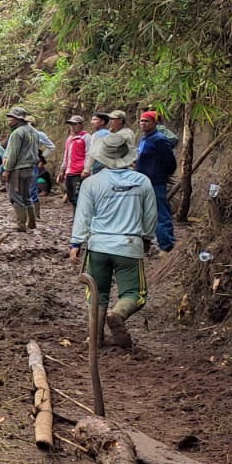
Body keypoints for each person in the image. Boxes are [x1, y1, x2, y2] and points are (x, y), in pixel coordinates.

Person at [70, 132, 157, 347]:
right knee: (135, 293)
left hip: (98, 246)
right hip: (129, 245)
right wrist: (146, 238)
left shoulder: (92, 183)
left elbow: (83, 216)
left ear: (102, 157)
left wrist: (76, 243)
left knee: (96, 293)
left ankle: (96, 337)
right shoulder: (143, 182)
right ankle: (117, 314)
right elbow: (150, 216)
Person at [135, 110, 177, 253]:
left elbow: (170, 161)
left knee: (161, 213)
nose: (143, 123)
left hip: (156, 182)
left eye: (146, 121)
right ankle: (145, 244)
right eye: (141, 121)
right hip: (142, 182)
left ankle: (167, 246)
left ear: (155, 123)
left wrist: (163, 173)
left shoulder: (159, 139)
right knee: (142, 212)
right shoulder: (144, 139)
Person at [1, 106, 41, 231]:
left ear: (18, 119)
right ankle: (32, 222)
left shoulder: (17, 133)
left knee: (16, 196)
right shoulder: (34, 131)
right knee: (26, 196)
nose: (9, 120)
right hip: (30, 168)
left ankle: (21, 224)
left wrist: (7, 169)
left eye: (11, 117)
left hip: (18, 169)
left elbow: (13, 153)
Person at [61, 116, 88, 206]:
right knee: (71, 195)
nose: (72, 126)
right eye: (71, 124)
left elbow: (89, 154)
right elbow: (66, 155)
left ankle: (80, 218)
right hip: (69, 171)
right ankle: (75, 218)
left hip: (79, 171)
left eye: (75, 124)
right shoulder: (70, 139)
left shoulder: (86, 137)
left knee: (78, 196)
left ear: (80, 125)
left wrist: (86, 169)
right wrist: (62, 169)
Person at [84, 112, 111, 176]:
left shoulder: (96, 135)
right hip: (109, 169)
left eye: (95, 120)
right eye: (92, 119)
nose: (92, 122)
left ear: (102, 122)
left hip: (98, 169)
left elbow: (93, 154)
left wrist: (86, 169)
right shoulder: (110, 134)